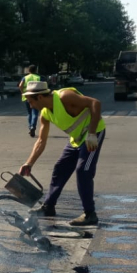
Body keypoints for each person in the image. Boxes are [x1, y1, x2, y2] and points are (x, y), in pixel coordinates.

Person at [18, 80, 106, 227]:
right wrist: (29, 163)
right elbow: (41, 141)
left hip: (93, 134)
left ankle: (90, 214)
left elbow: (95, 103)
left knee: (83, 170)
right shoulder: (45, 114)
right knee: (60, 168)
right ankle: (48, 207)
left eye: (30, 101)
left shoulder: (65, 96)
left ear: (39, 97)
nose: (30, 106)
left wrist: (91, 133)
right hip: (76, 139)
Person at [18, 64, 41, 137]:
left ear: (29, 70)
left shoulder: (25, 77)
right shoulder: (39, 77)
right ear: (36, 70)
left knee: (29, 113)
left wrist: (23, 93)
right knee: (35, 113)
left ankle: (30, 127)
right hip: (36, 97)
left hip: (27, 97)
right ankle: (33, 127)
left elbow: (20, 85)